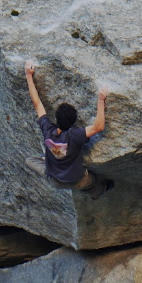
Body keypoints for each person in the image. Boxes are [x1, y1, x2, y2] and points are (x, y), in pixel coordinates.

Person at [24, 59, 113, 198]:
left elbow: (37, 103)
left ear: (56, 118)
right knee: (92, 182)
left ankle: (47, 158)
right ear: (73, 122)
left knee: (29, 161)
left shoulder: (47, 129)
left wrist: (28, 75)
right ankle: (101, 190)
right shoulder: (75, 136)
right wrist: (101, 99)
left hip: (55, 180)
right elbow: (99, 126)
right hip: (76, 180)